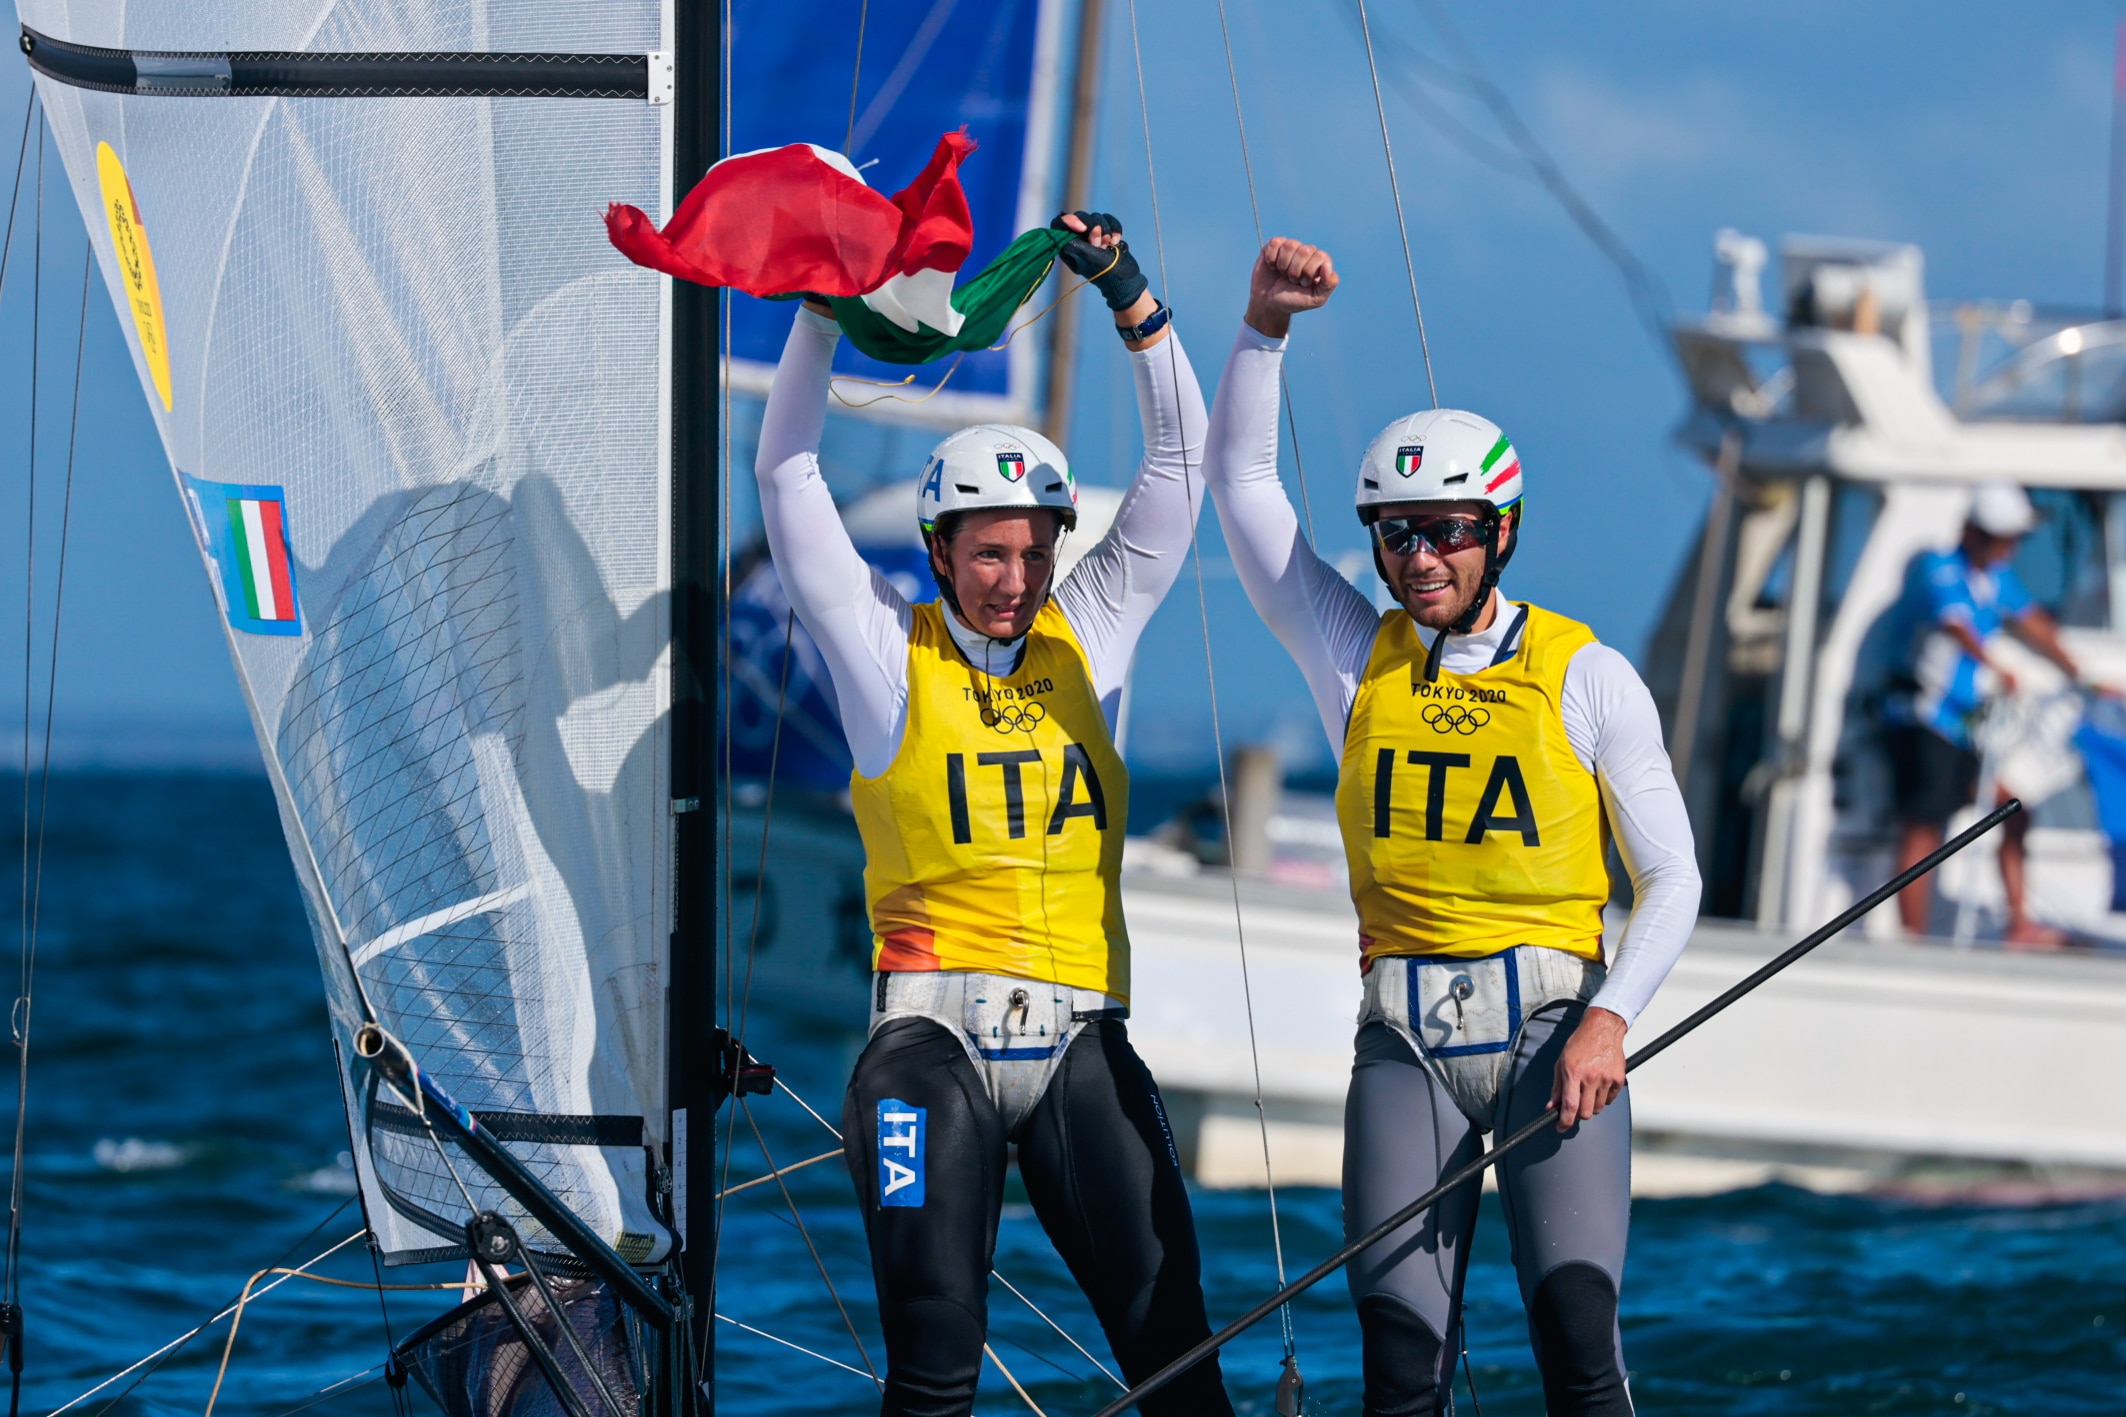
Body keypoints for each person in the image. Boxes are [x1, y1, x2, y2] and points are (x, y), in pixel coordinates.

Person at [1202, 238, 1701, 1417]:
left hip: (1550, 1038)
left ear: (1499, 532)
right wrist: (1262, 328)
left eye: (1446, 531)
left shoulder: (1586, 673)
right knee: (1395, 1362)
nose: (1418, 558)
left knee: (1575, 1339)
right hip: (1404, 1042)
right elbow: (1242, 489)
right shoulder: (1347, 651)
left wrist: (1608, 1022)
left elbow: (1671, 876)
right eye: (1395, 535)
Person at [753, 210, 1231, 1417]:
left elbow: (1181, 470)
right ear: (938, 546)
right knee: (934, 1362)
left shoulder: (1096, 630)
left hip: (1077, 1038)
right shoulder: (881, 651)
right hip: (927, 1048)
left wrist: (1130, 295)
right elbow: (786, 475)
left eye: (1033, 551)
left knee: (1177, 1358)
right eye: (987, 554)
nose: (1014, 580)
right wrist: (819, 311)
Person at [1883, 482, 2085, 946]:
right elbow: (1955, 625)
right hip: (1924, 719)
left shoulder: (1994, 577)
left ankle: (2019, 922)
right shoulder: (1938, 569)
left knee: (2012, 810)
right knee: (1924, 824)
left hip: (1964, 728)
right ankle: (1911, 939)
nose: (2012, 548)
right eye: (2004, 538)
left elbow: (2034, 622)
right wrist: (1996, 668)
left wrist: (2081, 674)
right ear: (1975, 532)